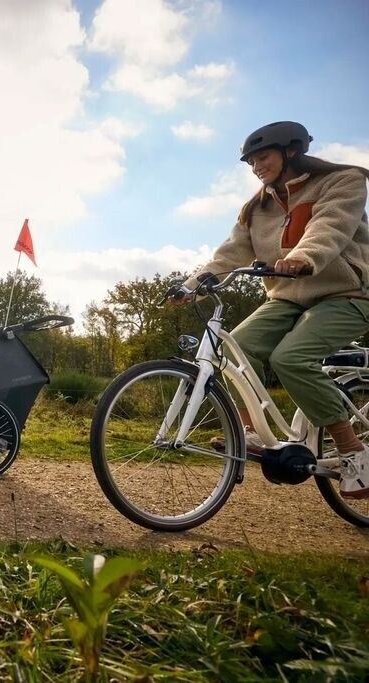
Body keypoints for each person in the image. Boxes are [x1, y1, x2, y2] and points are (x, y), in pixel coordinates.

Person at [183, 121, 369, 500]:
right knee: (232, 347)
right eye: (251, 162)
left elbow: (329, 226)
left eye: (262, 157)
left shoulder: (342, 181)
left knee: (291, 358)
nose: (256, 167)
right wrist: (190, 287)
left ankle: (354, 452)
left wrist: (303, 257)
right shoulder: (257, 208)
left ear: (291, 151)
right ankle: (250, 431)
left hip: (346, 293)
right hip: (287, 297)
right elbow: (229, 255)